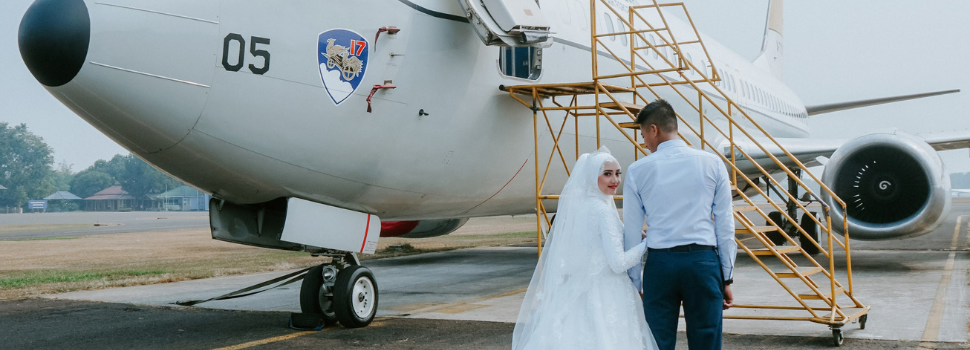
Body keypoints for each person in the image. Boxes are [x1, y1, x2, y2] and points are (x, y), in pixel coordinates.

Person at [512, 147, 658, 350]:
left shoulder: (583, 208)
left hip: (581, 288)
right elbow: (618, 263)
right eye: (607, 174)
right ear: (592, 177)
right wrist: (647, 243)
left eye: (617, 173)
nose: (615, 180)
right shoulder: (603, 211)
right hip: (607, 291)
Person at [623, 99, 737, 350]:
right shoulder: (713, 163)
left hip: (660, 266)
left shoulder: (637, 170)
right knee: (706, 339)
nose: (644, 142)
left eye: (643, 135)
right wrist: (726, 278)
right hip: (703, 263)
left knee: (657, 342)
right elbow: (725, 227)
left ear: (654, 130)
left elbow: (631, 232)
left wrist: (635, 282)